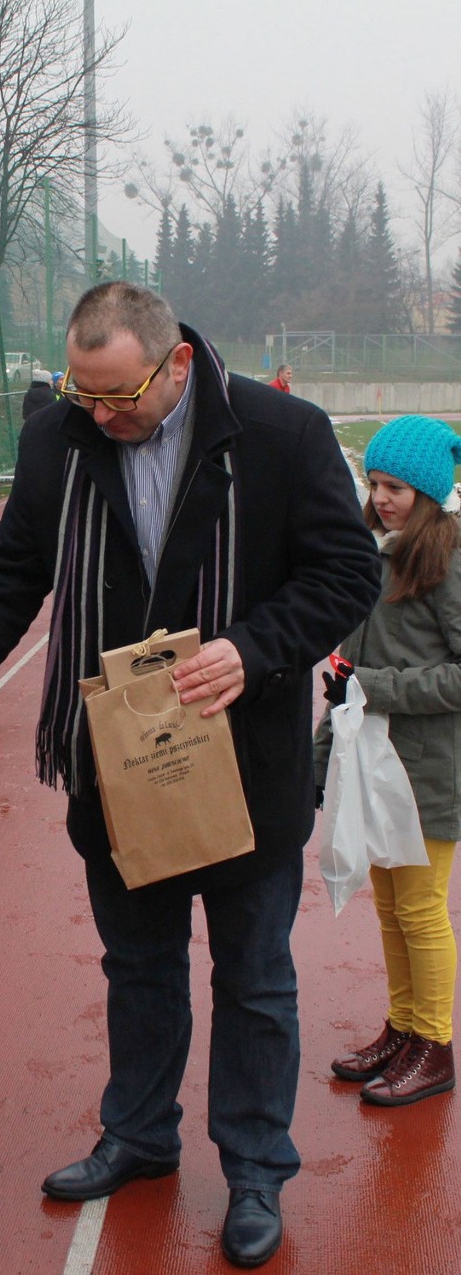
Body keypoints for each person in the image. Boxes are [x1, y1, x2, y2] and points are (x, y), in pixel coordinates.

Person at [0, 282, 380, 1268]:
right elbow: (6, 573)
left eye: (119, 397)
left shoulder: (284, 433)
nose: (102, 417)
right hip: (117, 766)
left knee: (254, 981)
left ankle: (254, 1168)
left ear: (178, 364)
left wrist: (255, 648)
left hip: (245, 766)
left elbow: (346, 572)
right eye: (84, 396)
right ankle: (139, 1134)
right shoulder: (58, 438)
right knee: (139, 967)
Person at [315, 414, 461, 1107]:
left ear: (429, 490)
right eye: (374, 484)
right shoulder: (375, 554)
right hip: (374, 766)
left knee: (423, 908)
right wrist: (326, 751)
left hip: (429, 769)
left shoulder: (449, 561)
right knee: (391, 907)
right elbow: (351, 667)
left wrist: (379, 688)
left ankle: (434, 1045)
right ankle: (403, 1029)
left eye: (395, 486)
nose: (381, 497)